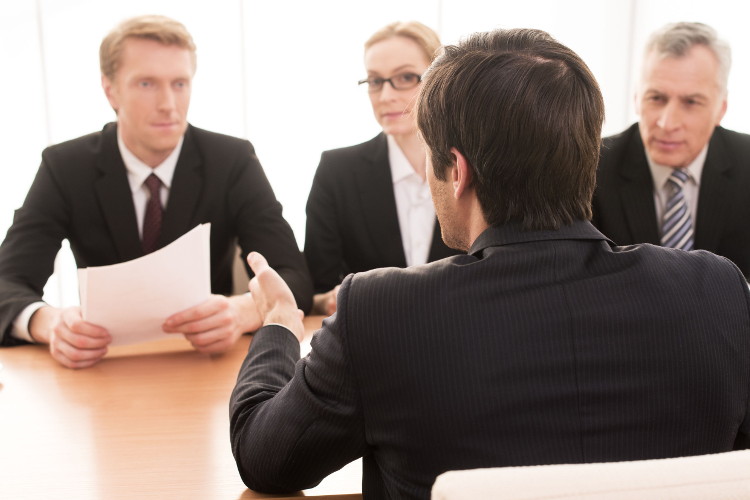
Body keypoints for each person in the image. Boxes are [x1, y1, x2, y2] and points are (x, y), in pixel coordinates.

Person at [230, 28, 750, 499]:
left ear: (455, 170)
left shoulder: (381, 311)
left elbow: (267, 460)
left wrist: (277, 327)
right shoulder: (718, 290)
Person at [0, 15, 312, 368]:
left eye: (180, 84)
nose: (168, 104)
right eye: (147, 84)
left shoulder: (232, 160)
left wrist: (244, 311)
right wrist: (49, 323)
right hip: (103, 368)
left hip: (208, 365)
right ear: (110, 89)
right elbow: (6, 281)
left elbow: (294, 275)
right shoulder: (66, 167)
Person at [304, 21, 460, 315]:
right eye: (375, 81)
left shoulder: (475, 168)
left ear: (439, 80)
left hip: (464, 339)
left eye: (404, 77)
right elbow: (316, 285)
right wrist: (329, 300)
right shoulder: (337, 171)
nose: (385, 95)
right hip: (369, 342)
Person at [592, 22, 750, 278]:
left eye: (691, 102)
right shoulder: (592, 168)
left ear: (721, 108)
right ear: (636, 98)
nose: (667, 123)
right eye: (656, 98)